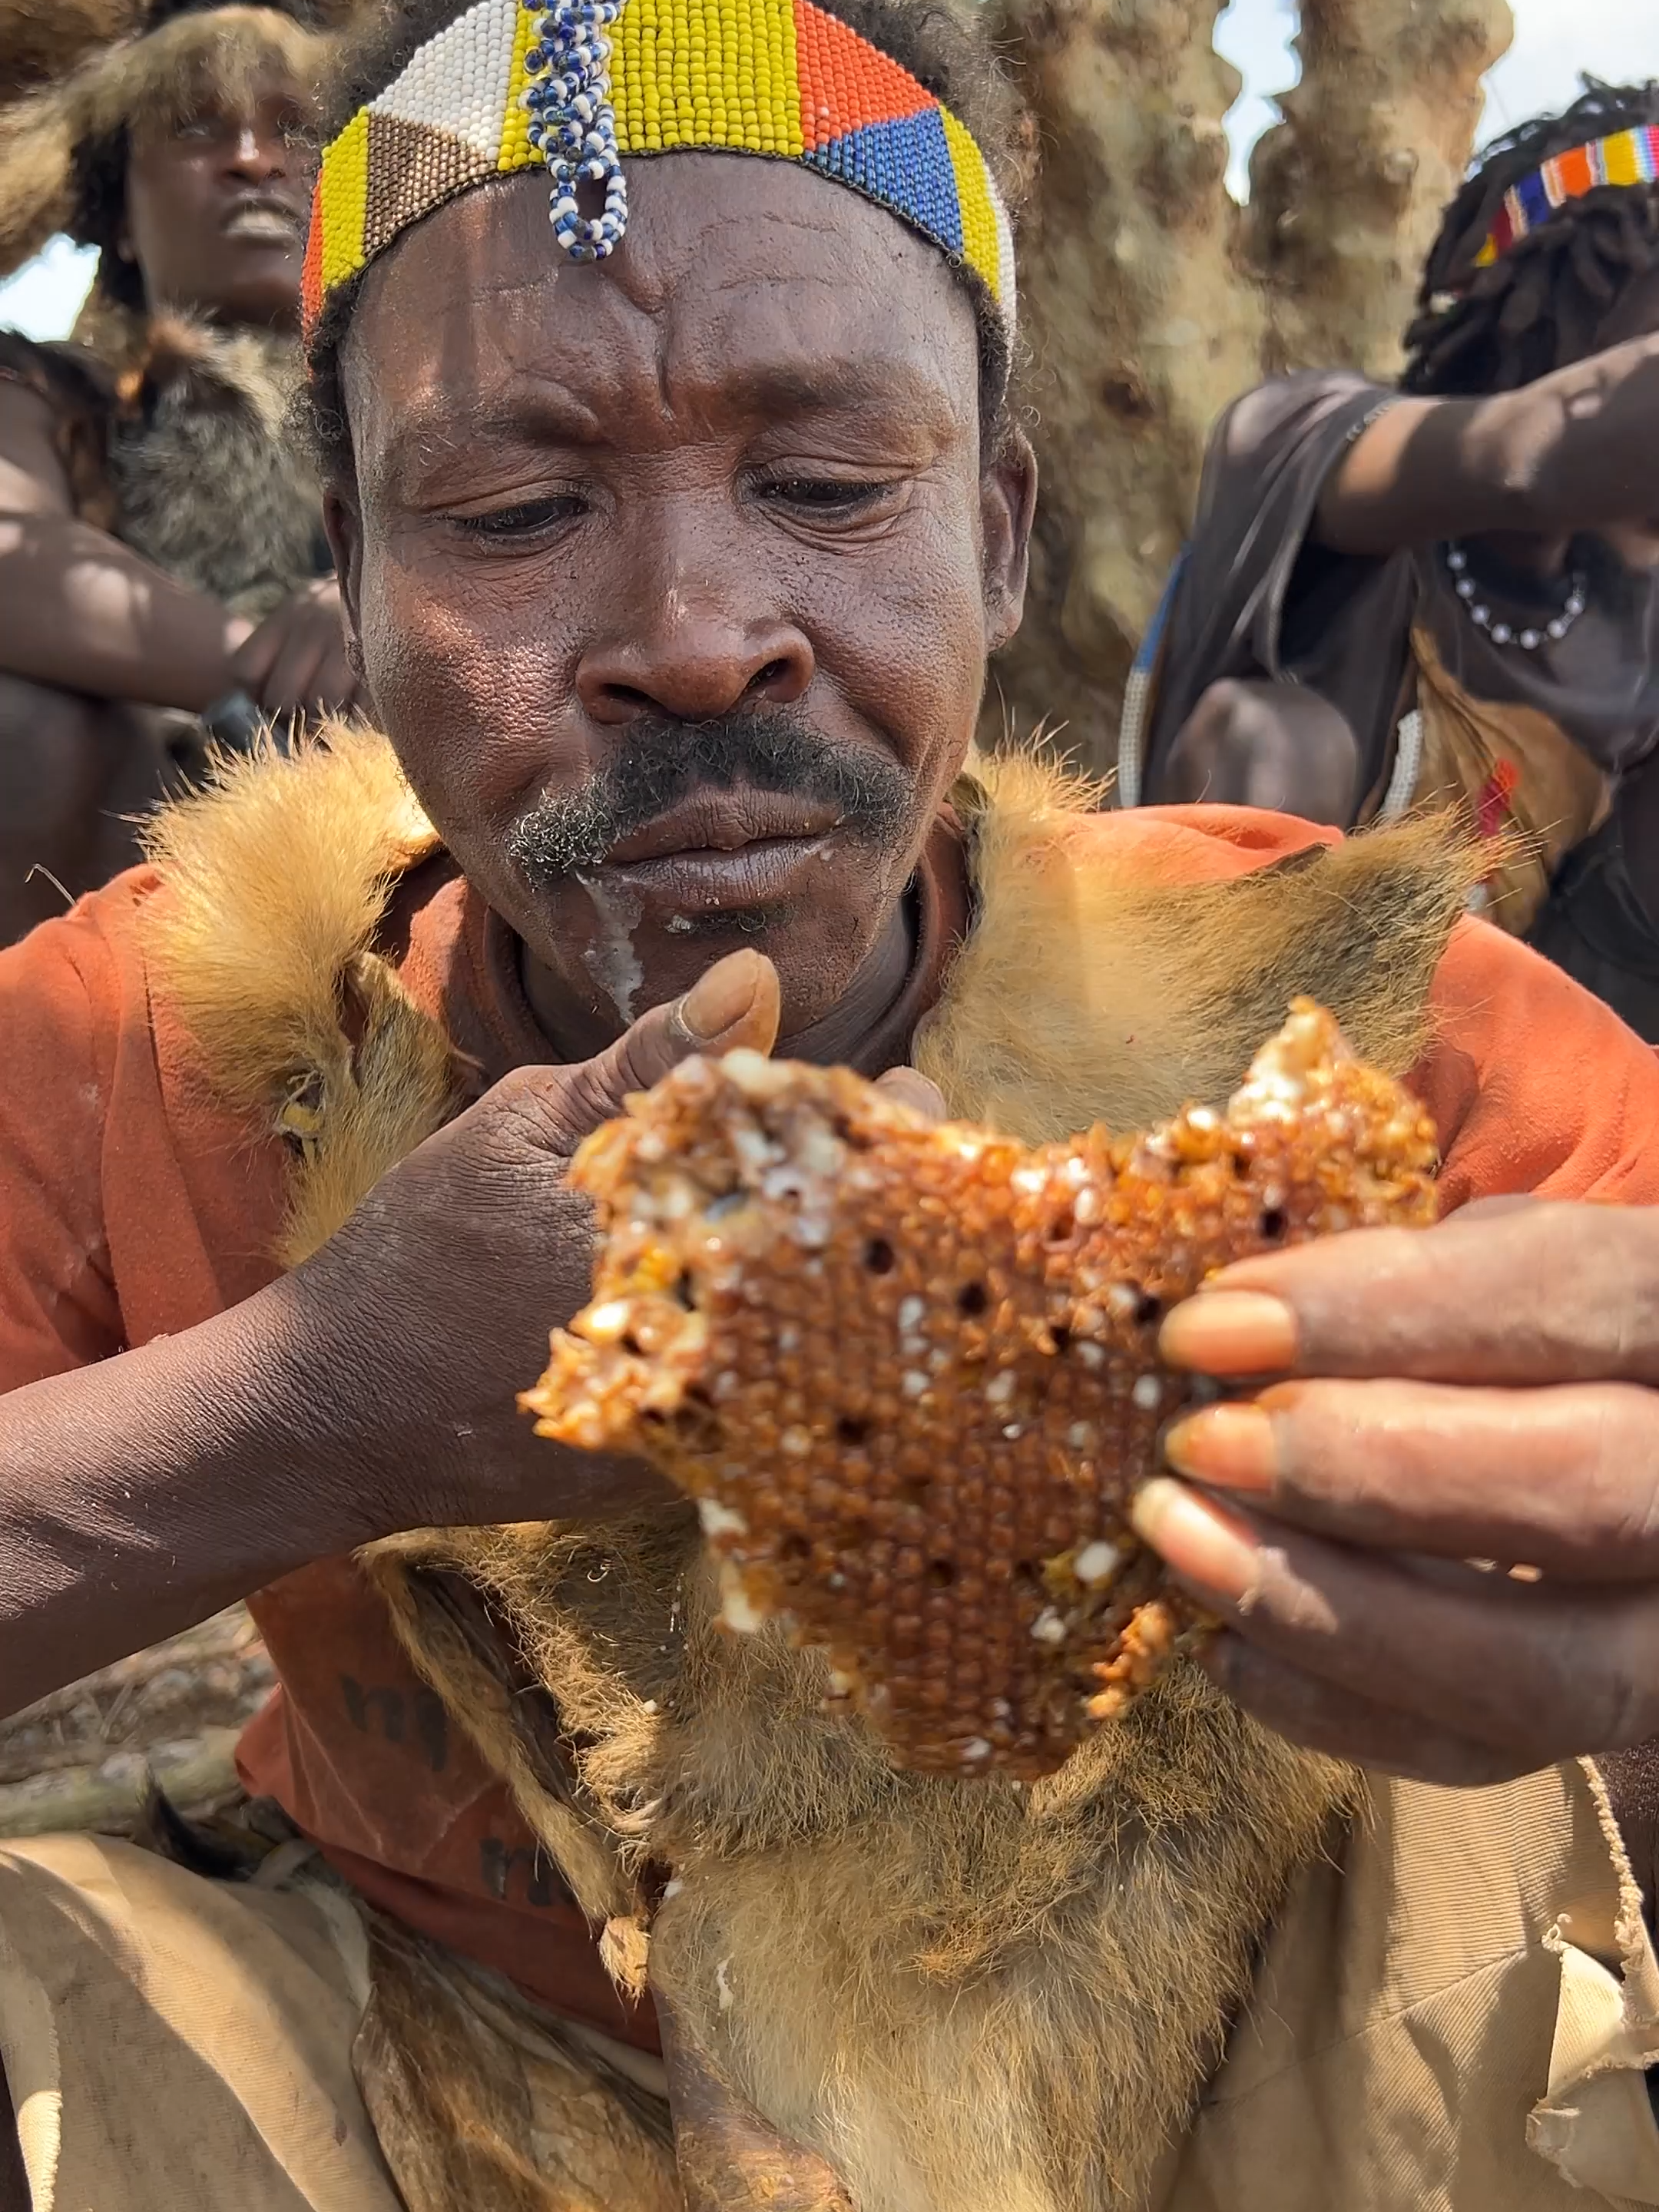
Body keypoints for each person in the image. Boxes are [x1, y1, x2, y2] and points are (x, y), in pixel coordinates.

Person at [5, 0, 1659, 2204]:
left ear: (995, 526)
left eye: (826, 486)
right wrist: (319, 1403)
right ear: (354, 568)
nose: (694, 634)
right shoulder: (149, 1030)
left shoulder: (1361, 1028)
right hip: (417, 2062)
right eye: (513, 507)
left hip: (1227, 2081)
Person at [1126, 82, 1659, 1040]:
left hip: (1520, 1091)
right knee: (1271, 731)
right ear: (1539, 316)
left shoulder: (1632, 618)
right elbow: (1532, 455)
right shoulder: (1300, 434)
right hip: (1236, 1059)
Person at [0, 0, 366, 946]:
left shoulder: (442, 379)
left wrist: (379, 614)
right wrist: (265, 660)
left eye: (296, 129)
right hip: (147, 817)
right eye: (199, 131)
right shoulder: (54, 387)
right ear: (119, 217)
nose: (254, 159)